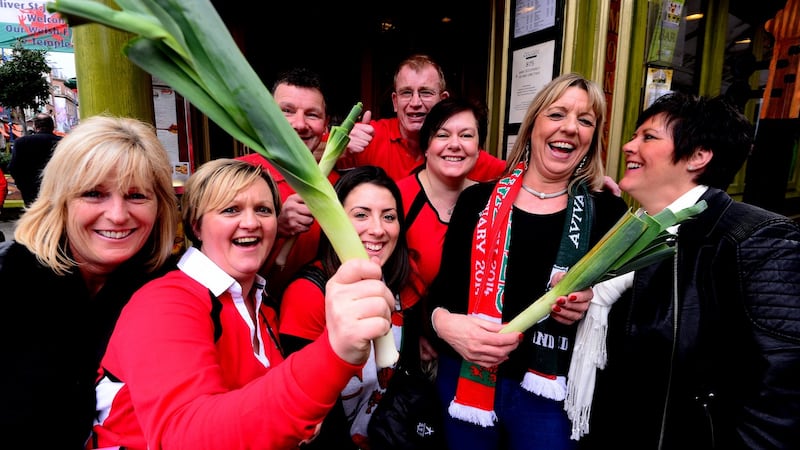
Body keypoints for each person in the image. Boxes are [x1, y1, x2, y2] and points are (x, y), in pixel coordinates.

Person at [90, 159, 397, 450]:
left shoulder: (262, 306)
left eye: (263, 210)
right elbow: (187, 437)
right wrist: (333, 352)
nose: (250, 222)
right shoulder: (164, 304)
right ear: (196, 226)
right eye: (230, 210)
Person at [574, 93, 800, 448]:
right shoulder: (633, 232)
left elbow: (782, 389)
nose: (628, 146)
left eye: (648, 137)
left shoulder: (754, 237)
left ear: (698, 156)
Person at [426, 73, 629, 450]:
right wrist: (446, 325)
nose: (570, 127)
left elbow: (630, 313)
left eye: (585, 120)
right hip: (467, 379)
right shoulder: (476, 203)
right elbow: (437, 296)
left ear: (593, 137)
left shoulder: (607, 212)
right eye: (557, 114)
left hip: (551, 394)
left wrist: (594, 301)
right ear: (534, 122)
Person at [0, 115, 179, 449]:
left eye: (137, 196)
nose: (117, 214)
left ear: (161, 208)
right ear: (60, 201)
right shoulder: (9, 287)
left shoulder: (174, 294)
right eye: (95, 193)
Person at [279, 165, 424, 449]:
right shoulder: (307, 294)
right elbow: (307, 406)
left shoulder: (405, 282)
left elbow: (407, 378)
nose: (378, 229)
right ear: (334, 222)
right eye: (361, 215)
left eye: (389, 217)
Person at [237, 67, 340, 298]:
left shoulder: (339, 188)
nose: (299, 124)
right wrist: (276, 226)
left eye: (312, 114)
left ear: (326, 125)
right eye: (287, 111)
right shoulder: (237, 176)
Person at [338, 54, 506, 182]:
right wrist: (339, 148)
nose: (415, 102)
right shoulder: (369, 135)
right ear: (395, 102)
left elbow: (518, 174)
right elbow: (312, 152)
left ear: (443, 100)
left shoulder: (458, 149)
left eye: (425, 92)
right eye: (406, 93)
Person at [8, 112, 62, 206]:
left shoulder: (21, 143)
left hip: (31, 192)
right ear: (52, 126)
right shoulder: (63, 142)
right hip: (57, 191)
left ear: (35, 126)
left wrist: (22, 185)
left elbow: (13, 168)